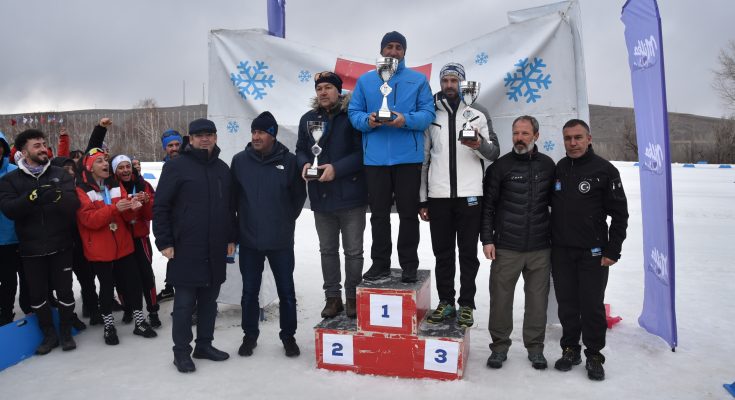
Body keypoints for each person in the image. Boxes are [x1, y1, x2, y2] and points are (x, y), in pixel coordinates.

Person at [348, 31, 435, 283]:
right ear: (381, 50)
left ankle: (409, 264)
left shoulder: (418, 80)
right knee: (379, 215)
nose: (393, 51)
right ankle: (380, 264)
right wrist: (369, 121)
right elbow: (354, 113)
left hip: (408, 158)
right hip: (375, 160)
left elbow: (428, 113)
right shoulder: (365, 81)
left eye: (398, 47)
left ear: (404, 52)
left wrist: (405, 120)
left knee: (408, 214)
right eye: (389, 47)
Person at [419, 63, 499, 328]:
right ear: (441, 83)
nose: (450, 85)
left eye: (455, 80)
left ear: (463, 83)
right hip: (439, 196)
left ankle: (466, 304)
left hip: (470, 196)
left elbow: (493, 152)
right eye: (446, 80)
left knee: (467, 254)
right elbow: (425, 159)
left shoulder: (478, 112)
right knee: (443, 254)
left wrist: (478, 144)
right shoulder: (430, 113)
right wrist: (423, 198)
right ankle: (445, 302)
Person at [153, 118, 235, 373]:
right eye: (199, 135)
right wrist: (164, 242)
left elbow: (229, 207)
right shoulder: (177, 166)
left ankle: (204, 345)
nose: (205, 138)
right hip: (186, 246)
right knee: (185, 305)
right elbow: (161, 206)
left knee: (210, 302)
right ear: (190, 138)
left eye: (209, 134)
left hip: (215, 247)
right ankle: (181, 352)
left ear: (216, 137)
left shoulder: (222, 168)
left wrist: (231, 237)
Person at [550, 119, 629, 381]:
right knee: (567, 304)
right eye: (568, 138)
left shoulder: (605, 170)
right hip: (561, 251)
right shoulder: (560, 168)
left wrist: (612, 250)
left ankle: (594, 355)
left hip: (593, 252)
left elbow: (620, 215)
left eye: (578, 138)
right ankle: (571, 349)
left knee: (592, 305)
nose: (572, 143)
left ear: (589, 138)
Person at [480, 115, 555, 370]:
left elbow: (557, 205)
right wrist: (488, 240)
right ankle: (499, 347)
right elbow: (487, 207)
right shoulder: (499, 168)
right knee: (500, 301)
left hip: (539, 248)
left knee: (537, 303)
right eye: (516, 133)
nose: (519, 138)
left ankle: (535, 348)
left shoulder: (548, 166)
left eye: (525, 133)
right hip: (506, 247)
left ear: (536, 135)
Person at [232, 111, 306, 358]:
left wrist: (284, 220)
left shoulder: (291, 161)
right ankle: (249, 336)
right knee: (249, 292)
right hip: (250, 240)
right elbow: (234, 199)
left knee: (286, 292)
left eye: (261, 132)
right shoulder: (240, 161)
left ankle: (289, 337)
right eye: (254, 131)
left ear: (272, 135)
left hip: (280, 240)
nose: (256, 136)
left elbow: (298, 197)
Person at [0, 129, 80, 353]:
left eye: (44, 144)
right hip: (31, 249)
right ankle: (49, 334)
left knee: (64, 292)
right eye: (36, 145)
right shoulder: (10, 180)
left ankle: (65, 333)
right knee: (37, 296)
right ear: (24, 151)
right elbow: (9, 209)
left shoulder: (59, 174)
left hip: (61, 245)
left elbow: (73, 205)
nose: (43, 148)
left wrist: (56, 195)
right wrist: (31, 198)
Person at [296, 72, 367, 319]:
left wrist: (337, 169)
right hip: (321, 196)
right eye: (319, 89)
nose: (323, 92)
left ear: (339, 91)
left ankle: (352, 298)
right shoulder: (308, 119)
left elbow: (362, 154)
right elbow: (301, 150)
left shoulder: (352, 117)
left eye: (328, 87)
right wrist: (304, 164)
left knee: (353, 252)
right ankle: (332, 298)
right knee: (327, 250)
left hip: (351, 197)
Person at [76, 147, 158, 345]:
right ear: (89, 167)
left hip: (123, 244)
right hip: (99, 249)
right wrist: (115, 208)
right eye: (99, 162)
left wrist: (133, 207)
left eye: (105, 160)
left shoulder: (114, 185)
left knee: (134, 282)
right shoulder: (81, 190)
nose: (105, 164)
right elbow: (89, 220)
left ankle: (140, 321)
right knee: (106, 287)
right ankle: (109, 325)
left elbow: (127, 217)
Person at [111, 154, 160, 328]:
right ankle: (128, 308)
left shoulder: (142, 184)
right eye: (120, 167)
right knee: (121, 276)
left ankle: (153, 310)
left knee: (146, 274)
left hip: (139, 237)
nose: (125, 170)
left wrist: (146, 203)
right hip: (119, 238)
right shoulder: (110, 186)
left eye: (127, 166)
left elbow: (151, 214)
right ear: (114, 170)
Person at [156, 129, 183, 303]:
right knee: (174, 258)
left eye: (176, 145)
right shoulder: (168, 164)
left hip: (185, 221)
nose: (174, 148)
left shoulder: (186, 162)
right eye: (170, 146)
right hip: (173, 221)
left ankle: (186, 298)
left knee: (182, 261)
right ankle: (169, 287)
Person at [0, 131, 23, 326]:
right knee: (5, 280)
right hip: (0, 239)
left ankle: (31, 310)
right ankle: (5, 313)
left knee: (21, 280)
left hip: (19, 236)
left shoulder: (15, 171)